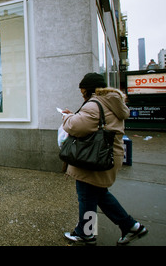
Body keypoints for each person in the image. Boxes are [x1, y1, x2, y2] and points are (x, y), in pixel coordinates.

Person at [61, 73, 148, 246]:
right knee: (98, 194)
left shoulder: (95, 104)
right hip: (108, 155)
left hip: (93, 157)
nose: (81, 93)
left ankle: (86, 234)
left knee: (86, 195)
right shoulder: (111, 102)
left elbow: (74, 127)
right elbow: (93, 122)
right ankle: (130, 226)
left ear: (88, 89)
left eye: (82, 90)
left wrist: (67, 117)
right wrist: (76, 115)